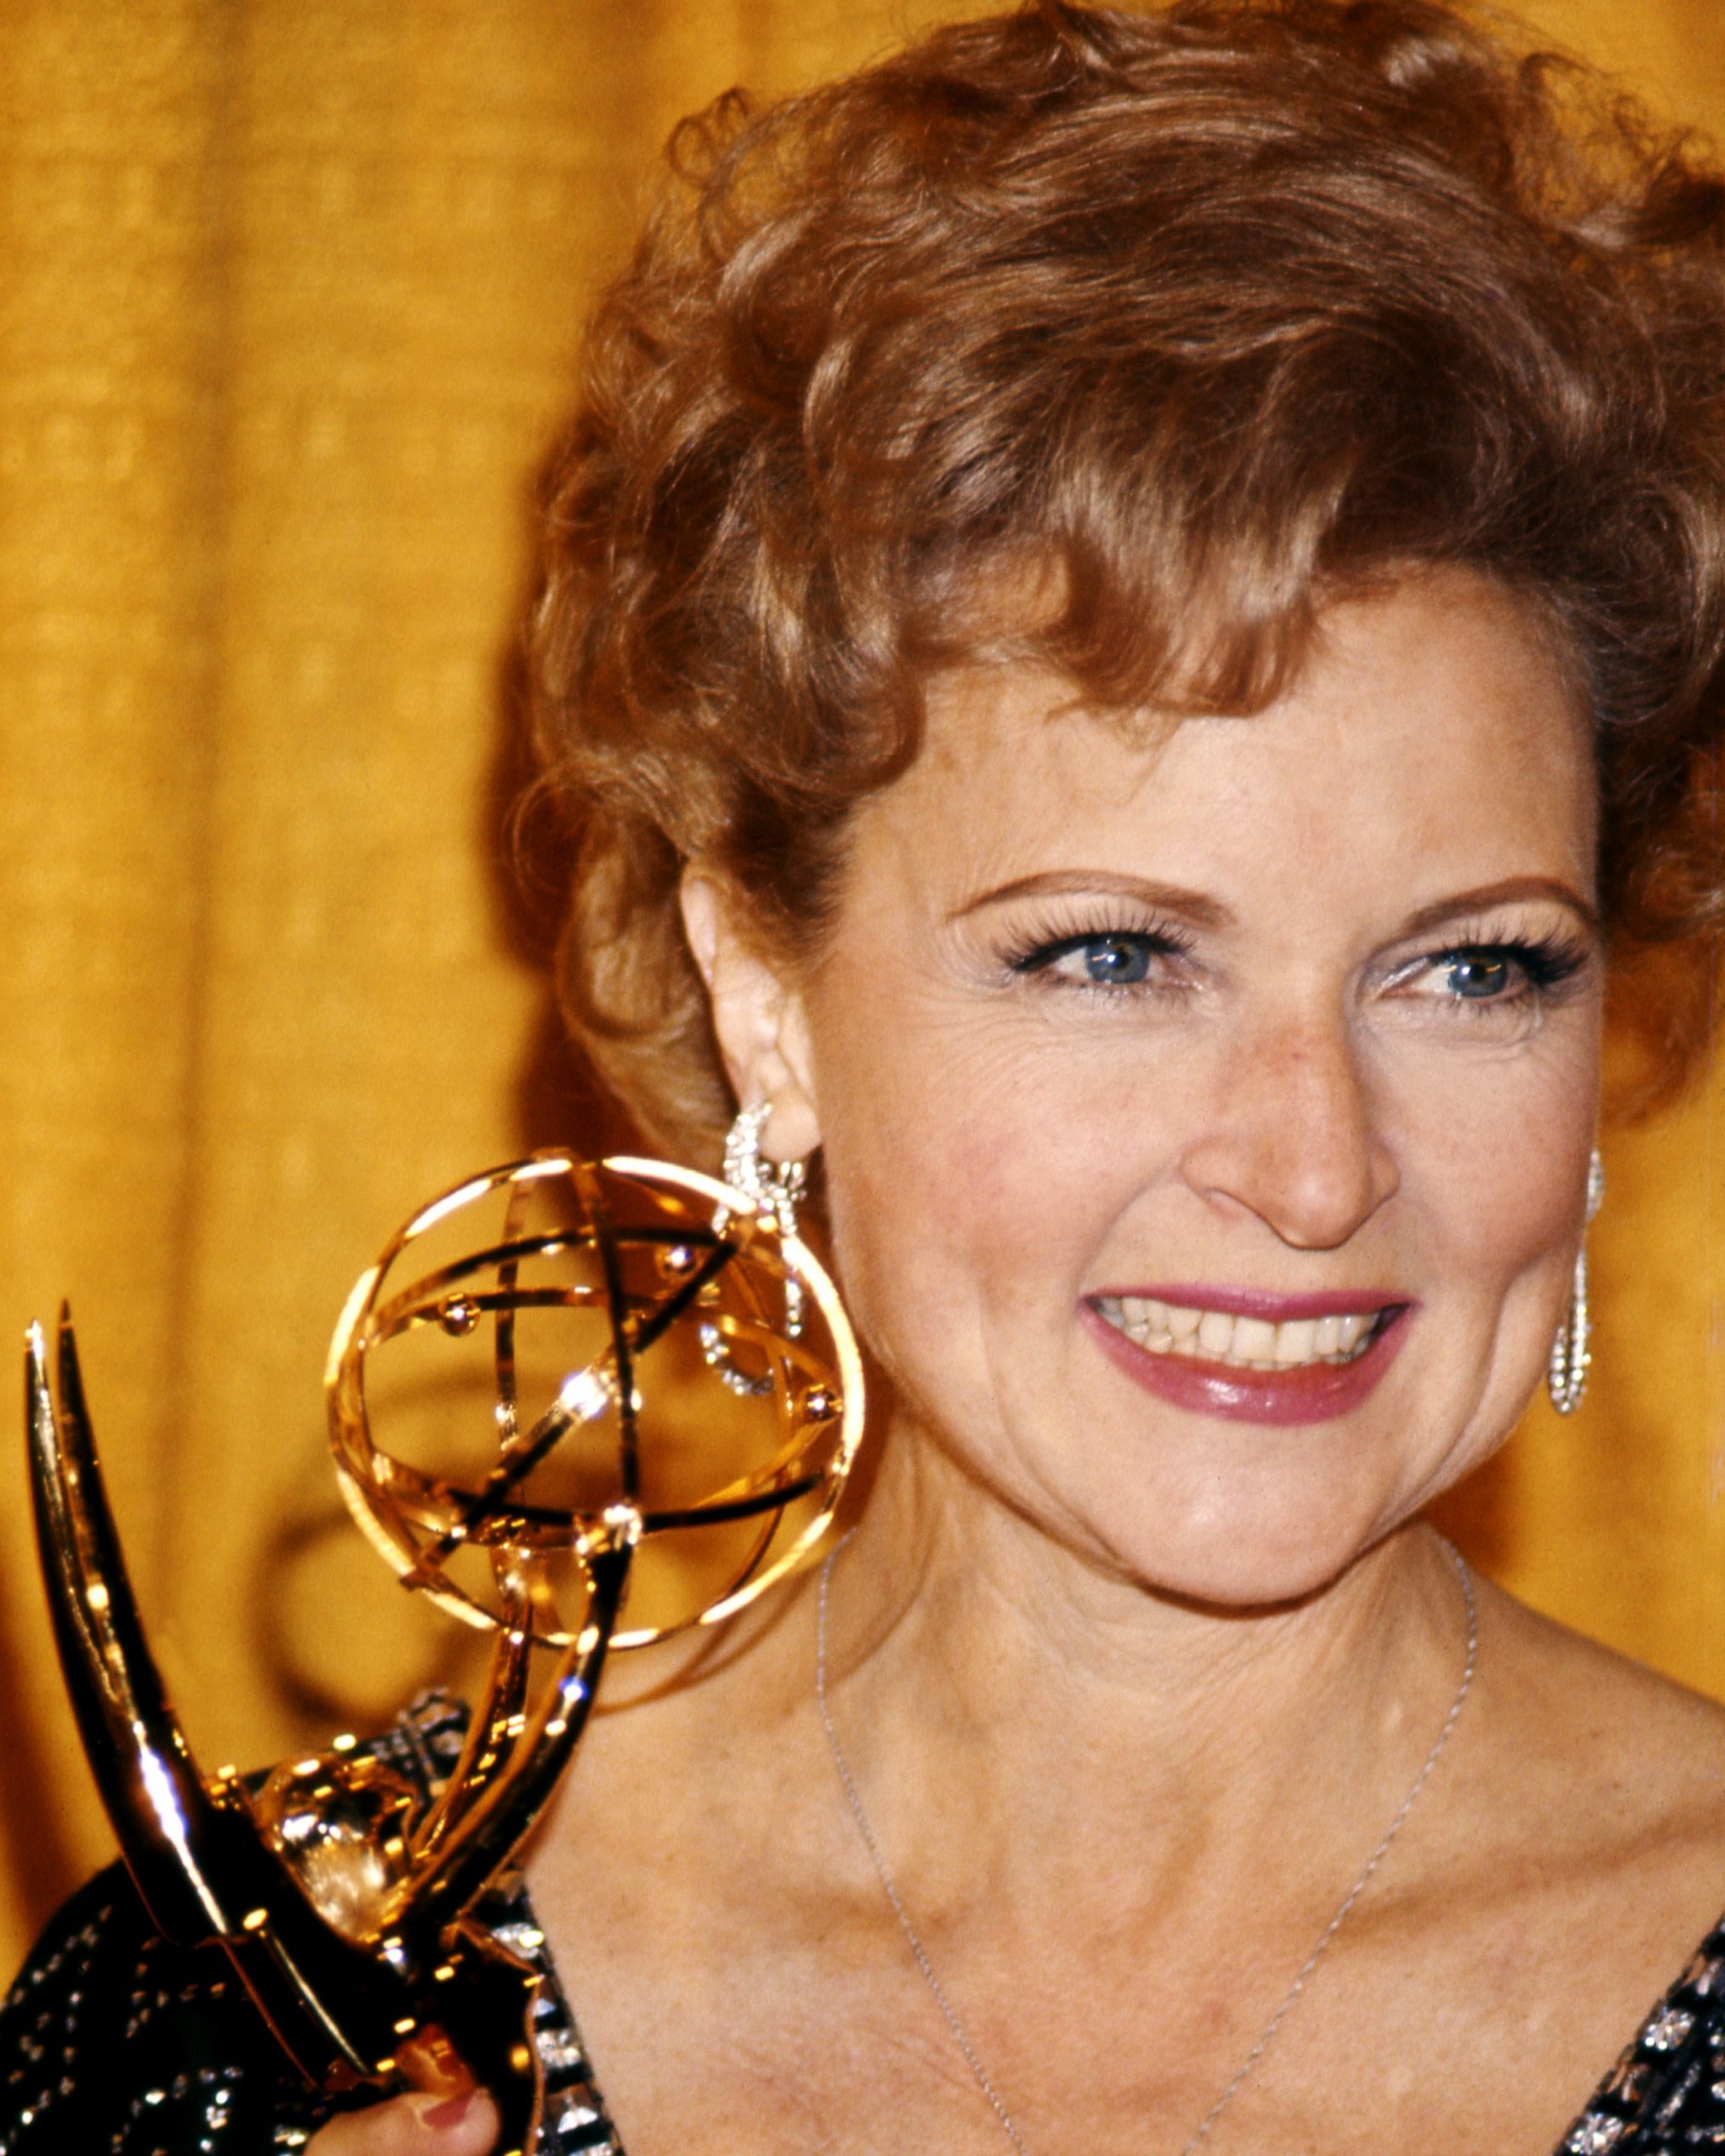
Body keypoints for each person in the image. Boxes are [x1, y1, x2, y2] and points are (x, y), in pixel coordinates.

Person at [6, 0, 1725, 2150]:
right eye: (1111, 952)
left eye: (1471, 969)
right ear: (766, 997)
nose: (1311, 1163)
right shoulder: (272, 2006)